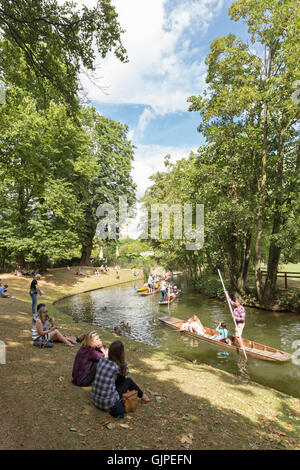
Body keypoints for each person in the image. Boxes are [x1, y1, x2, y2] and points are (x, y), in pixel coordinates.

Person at [92, 340, 150, 418]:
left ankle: (143, 396)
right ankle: (144, 397)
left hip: (95, 399)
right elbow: (126, 372)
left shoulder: (102, 360)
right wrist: (123, 362)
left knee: (120, 377)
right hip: (107, 404)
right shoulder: (117, 366)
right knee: (128, 381)